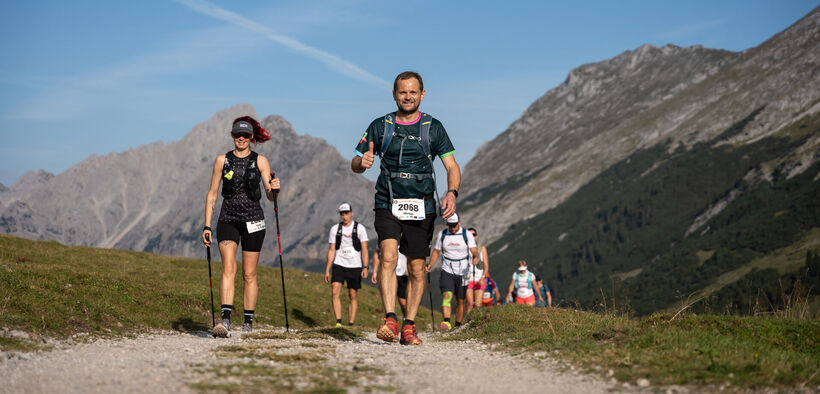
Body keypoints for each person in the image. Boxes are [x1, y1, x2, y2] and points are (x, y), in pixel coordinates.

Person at [351, 71, 461, 345]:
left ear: (422, 94)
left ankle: (408, 326)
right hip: (387, 201)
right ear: (394, 94)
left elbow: (451, 166)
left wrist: (452, 192)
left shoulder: (433, 127)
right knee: (387, 257)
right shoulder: (380, 125)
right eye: (403, 92)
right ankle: (390, 318)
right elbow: (355, 163)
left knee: (415, 267)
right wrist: (361, 163)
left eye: (413, 92)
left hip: (422, 205)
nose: (408, 96)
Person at [202, 116, 280, 337]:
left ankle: (248, 322)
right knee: (228, 268)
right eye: (238, 134)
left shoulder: (261, 161)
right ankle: (225, 321)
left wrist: (275, 189)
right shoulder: (221, 161)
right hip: (227, 219)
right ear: (232, 135)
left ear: (252, 137)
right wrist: (206, 226)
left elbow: (269, 195)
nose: (242, 138)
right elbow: (212, 194)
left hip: (254, 221)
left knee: (249, 274)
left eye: (246, 135)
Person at [426, 213, 477, 331]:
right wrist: (430, 265)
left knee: (460, 300)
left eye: (454, 225)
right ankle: (447, 321)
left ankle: (457, 325)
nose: (452, 228)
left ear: (459, 223)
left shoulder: (467, 234)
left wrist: (475, 256)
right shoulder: (442, 234)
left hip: (463, 271)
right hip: (447, 269)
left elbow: (474, 249)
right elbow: (436, 251)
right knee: (447, 296)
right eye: (450, 225)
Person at [324, 202, 369, 327]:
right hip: (339, 264)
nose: (344, 216)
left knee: (353, 294)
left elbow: (364, 249)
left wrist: (365, 267)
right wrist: (327, 270)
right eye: (342, 214)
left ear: (351, 213)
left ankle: (351, 323)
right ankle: (338, 321)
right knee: (335, 291)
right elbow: (331, 250)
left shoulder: (360, 228)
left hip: (355, 266)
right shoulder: (335, 229)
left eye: (347, 213)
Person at [371, 247, 409, 319]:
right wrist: (374, 272)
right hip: (388, 273)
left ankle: (406, 319)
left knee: (403, 301)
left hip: (403, 273)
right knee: (387, 299)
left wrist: (409, 267)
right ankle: (389, 321)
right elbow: (377, 254)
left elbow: (411, 253)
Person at [465, 227, 489, 314]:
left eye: (474, 235)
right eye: (470, 235)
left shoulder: (482, 248)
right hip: (467, 278)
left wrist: (483, 277)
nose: (472, 236)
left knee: (478, 304)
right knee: (470, 304)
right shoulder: (464, 248)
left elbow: (486, 266)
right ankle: (467, 325)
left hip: (479, 278)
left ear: (476, 236)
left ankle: (476, 323)